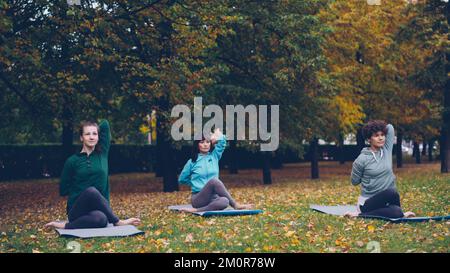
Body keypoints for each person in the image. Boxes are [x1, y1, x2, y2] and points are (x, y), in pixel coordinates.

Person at [45, 120, 140, 229]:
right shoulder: (72, 161)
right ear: (81, 137)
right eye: (87, 134)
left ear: (99, 137)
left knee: (101, 220)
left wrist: (92, 127)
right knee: (91, 191)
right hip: (77, 210)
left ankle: (65, 226)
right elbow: (63, 190)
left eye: (94, 134)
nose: (91, 137)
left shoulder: (102, 154)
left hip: (98, 210)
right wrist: (82, 192)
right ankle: (118, 222)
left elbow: (105, 124)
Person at [346, 120, 415, 218]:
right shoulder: (361, 159)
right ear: (369, 139)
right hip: (368, 202)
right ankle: (361, 214)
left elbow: (390, 127)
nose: (380, 138)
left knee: (396, 211)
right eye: (376, 135)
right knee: (392, 192)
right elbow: (354, 182)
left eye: (382, 134)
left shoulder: (386, 150)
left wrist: (378, 127)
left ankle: (400, 213)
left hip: (385, 199)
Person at [178, 128, 252, 212]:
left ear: (210, 144)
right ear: (197, 145)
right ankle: (235, 205)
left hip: (213, 197)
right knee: (214, 181)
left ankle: (197, 210)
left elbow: (222, 141)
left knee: (225, 201)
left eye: (207, 142)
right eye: (202, 142)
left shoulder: (214, 156)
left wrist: (214, 139)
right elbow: (182, 179)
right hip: (199, 197)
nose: (205, 145)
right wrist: (195, 183)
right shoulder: (192, 161)